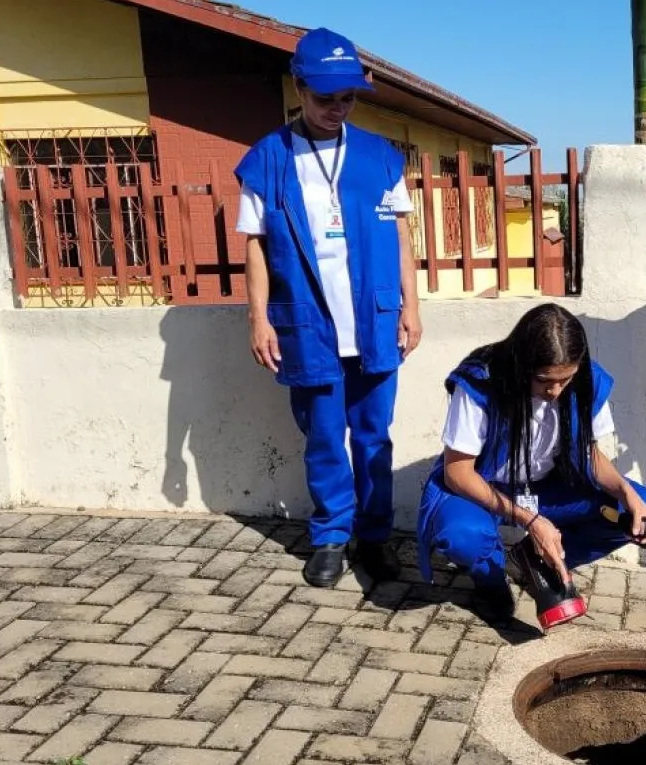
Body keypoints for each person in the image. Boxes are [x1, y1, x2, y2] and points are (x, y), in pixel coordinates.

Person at [234, 27, 422, 589]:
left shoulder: (380, 157)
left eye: (347, 98)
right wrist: (258, 317)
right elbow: (255, 246)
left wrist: (412, 308)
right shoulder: (267, 159)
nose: (336, 109)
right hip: (308, 325)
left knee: (373, 436)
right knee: (322, 437)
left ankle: (375, 535)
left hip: (375, 320)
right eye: (324, 98)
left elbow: (402, 237)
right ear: (299, 88)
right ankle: (331, 537)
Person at [416, 303, 646, 623]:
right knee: (461, 534)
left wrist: (628, 495)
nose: (555, 390)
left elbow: (590, 455)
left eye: (565, 379)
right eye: (544, 380)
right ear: (522, 365)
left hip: (550, 489)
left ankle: (536, 562)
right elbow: (457, 473)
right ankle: (491, 582)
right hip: (484, 488)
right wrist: (531, 521)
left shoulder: (587, 381)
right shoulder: (481, 382)